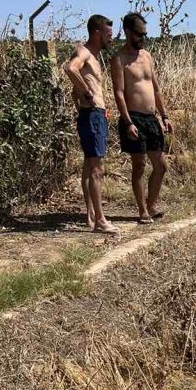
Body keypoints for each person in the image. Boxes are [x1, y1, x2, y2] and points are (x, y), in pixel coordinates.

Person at [110, 12, 173, 224]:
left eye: (145, 34)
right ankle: (142, 210)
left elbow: (155, 88)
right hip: (134, 118)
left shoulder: (147, 56)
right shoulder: (119, 59)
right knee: (139, 166)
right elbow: (118, 93)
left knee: (161, 165)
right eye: (139, 34)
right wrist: (127, 122)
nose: (143, 38)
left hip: (151, 118)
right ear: (128, 32)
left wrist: (164, 115)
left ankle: (152, 204)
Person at [63, 15, 118, 234]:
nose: (110, 39)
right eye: (108, 35)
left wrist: (79, 96)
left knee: (89, 166)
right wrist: (86, 92)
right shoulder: (84, 52)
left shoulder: (94, 56)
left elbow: (74, 87)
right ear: (97, 33)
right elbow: (70, 68)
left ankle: (92, 215)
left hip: (94, 114)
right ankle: (101, 222)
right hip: (92, 114)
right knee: (97, 168)